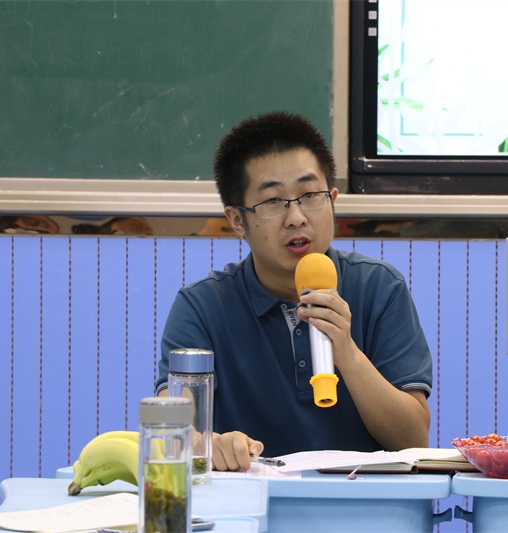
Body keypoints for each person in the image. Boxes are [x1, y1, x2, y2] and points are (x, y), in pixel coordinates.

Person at [156, 111, 433, 471]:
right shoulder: (203, 306)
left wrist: (347, 352)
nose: (297, 217)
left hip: (360, 497)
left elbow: (412, 439)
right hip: (251, 498)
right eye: (273, 201)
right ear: (237, 220)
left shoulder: (380, 287)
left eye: (311, 195)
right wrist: (207, 444)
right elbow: (171, 430)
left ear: (332, 199)